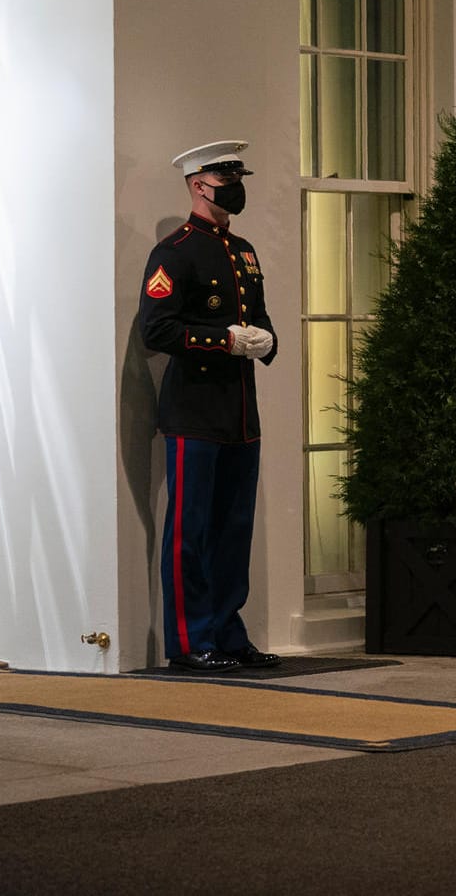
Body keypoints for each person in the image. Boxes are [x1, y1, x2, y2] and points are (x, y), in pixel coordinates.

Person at [139, 139, 281, 672]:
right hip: (194, 412)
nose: (235, 190)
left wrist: (265, 340)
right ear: (199, 186)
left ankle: (227, 632)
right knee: (190, 531)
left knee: (233, 528)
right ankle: (190, 640)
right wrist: (223, 340)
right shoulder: (175, 252)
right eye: (225, 182)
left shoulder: (243, 250)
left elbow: (258, 315)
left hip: (240, 413)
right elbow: (158, 329)